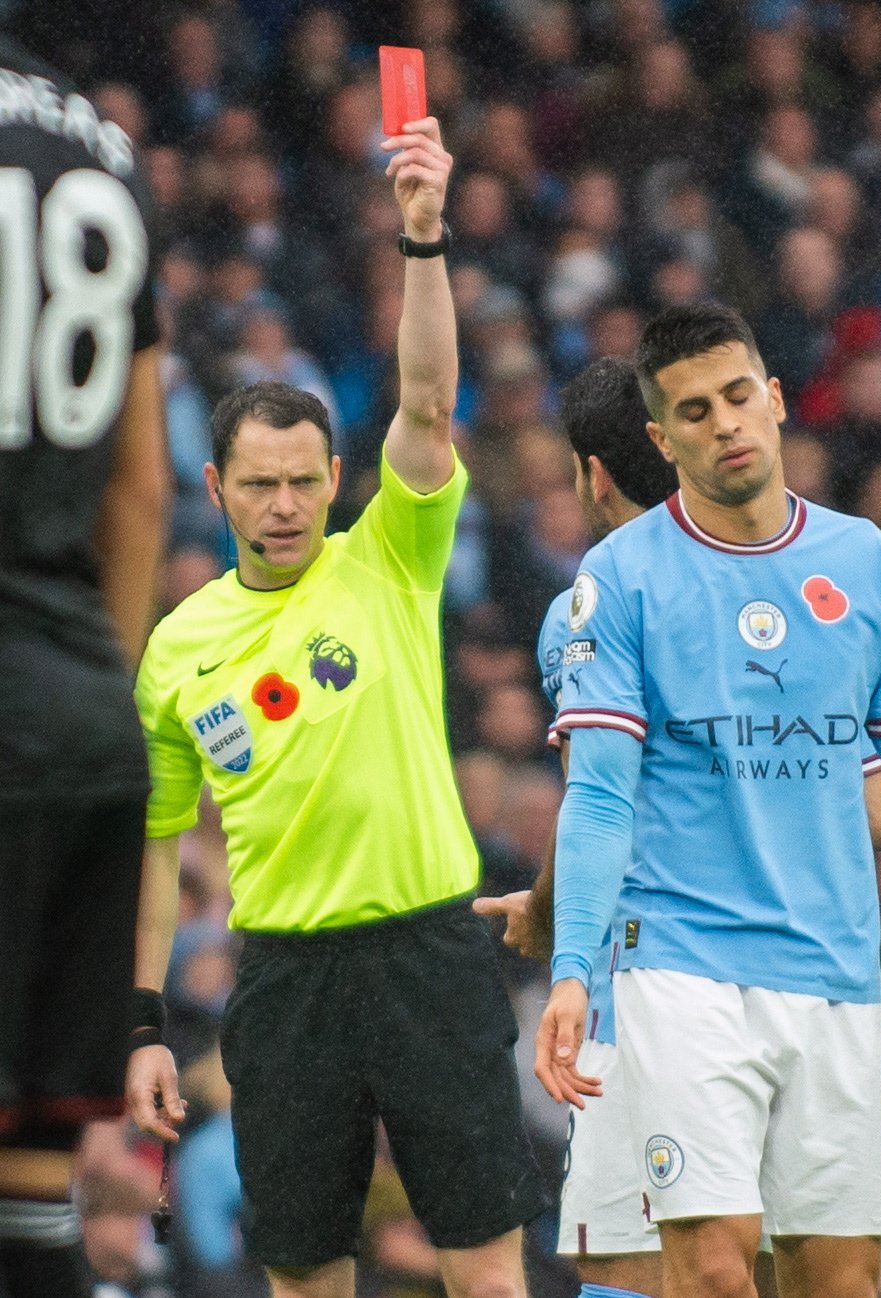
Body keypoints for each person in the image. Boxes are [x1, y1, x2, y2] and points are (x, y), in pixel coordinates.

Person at [535, 303, 881, 1298]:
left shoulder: (866, 564)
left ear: (775, 400)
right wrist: (572, 965)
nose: (723, 423)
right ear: (660, 438)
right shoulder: (615, 581)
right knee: (708, 1257)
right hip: (677, 969)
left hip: (830, 968)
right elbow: (599, 797)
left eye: (737, 396)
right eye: (692, 412)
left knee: (835, 1277)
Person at [125, 117, 546, 1298]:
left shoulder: (388, 559)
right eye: (258, 484)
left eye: (306, 479)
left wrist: (422, 237)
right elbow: (157, 849)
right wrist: (145, 1021)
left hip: (426, 953)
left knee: (486, 1271)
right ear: (216, 489)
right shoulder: (177, 650)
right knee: (302, 1276)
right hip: (284, 979)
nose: (284, 504)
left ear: (332, 479)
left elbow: (424, 401)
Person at [477, 357, 881, 1298]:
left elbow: (605, 804)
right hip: (809, 984)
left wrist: (550, 919)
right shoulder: (799, 592)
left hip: (656, 984)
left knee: (641, 1268)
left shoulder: (588, 605)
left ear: (594, 472)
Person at [0, 34, 171, 1298]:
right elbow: (144, 486)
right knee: (32, 1190)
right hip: (82, 718)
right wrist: (99, 698)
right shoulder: (104, 150)